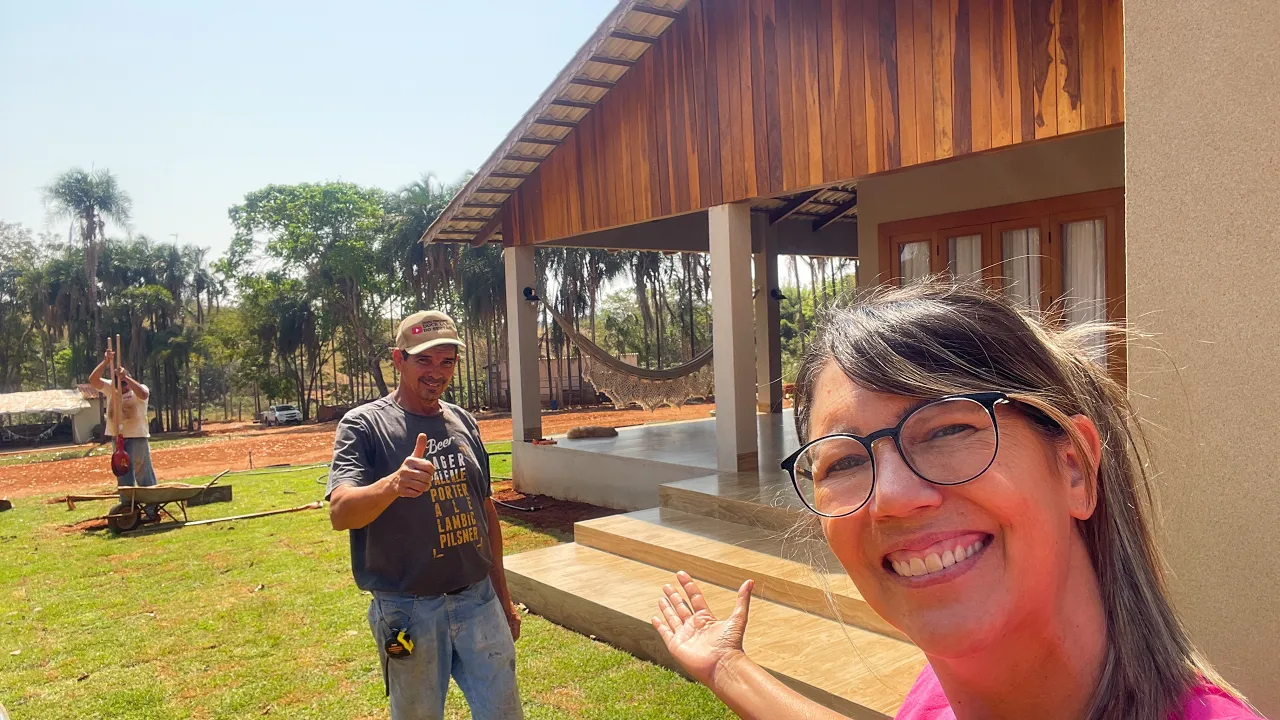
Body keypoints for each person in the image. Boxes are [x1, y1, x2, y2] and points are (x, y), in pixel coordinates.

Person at [652, 281, 1262, 720]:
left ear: (1074, 466)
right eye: (844, 462)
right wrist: (726, 667)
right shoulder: (937, 697)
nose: (891, 498)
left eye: (946, 430)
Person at [327, 310, 522, 720]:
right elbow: (341, 513)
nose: (437, 372)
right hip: (408, 611)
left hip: (478, 600)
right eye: (424, 360)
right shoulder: (364, 425)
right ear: (398, 359)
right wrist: (393, 485)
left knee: (504, 713)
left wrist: (502, 599)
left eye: (447, 361)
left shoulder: (463, 421)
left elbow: (484, 512)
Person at [88, 347, 158, 521]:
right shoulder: (111, 389)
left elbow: (143, 394)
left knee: (143, 474)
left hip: (137, 438)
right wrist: (106, 362)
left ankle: (151, 511)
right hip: (118, 439)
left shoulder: (138, 389)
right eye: (119, 385)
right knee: (123, 475)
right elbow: (93, 380)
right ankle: (128, 512)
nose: (123, 388)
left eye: (125, 385)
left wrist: (125, 377)